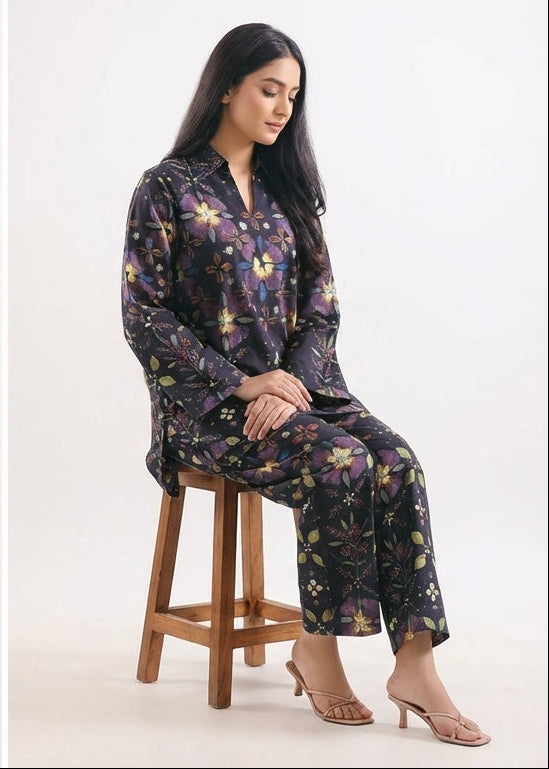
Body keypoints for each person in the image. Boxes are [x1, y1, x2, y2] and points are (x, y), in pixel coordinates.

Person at [121, 22, 490, 746]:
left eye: (292, 94)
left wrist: (287, 381)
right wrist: (238, 384)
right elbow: (144, 313)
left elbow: (322, 306)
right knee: (339, 461)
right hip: (209, 412)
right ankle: (314, 648)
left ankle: (414, 663)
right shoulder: (166, 188)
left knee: (395, 461)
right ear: (226, 87)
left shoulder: (291, 191)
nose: (282, 107)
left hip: (303, 394)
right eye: (268, 89)